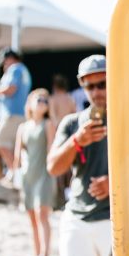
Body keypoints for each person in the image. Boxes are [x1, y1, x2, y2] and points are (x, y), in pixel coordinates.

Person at [47, 55, 110, 256]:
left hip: (114, 219)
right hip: (77, 216)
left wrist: (114, 184)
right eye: (89, 85)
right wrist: (77, 141)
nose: (96, 92)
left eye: (102, 84)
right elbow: (53, 167)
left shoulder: (128, 120)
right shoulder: (72, 124)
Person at [13, 88, 56, 256]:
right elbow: (18, 153)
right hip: (27, 175)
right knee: (31, 215)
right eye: (38, 99)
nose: (42, 103)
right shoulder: (23, 127)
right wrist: (14, 174)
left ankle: (45, 254)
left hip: (44, 173)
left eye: (45, 101)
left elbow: (52, 149)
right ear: (30, 103)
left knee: (42, 214)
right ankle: (37, 251)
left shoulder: (48, 125)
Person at [0, 47, 32, 183]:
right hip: (20, 114)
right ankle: (16, 173)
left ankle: (13, 170)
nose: (4, 64)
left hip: (12, 114)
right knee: (16, 146)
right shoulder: (24, 70)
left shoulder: (15, 69)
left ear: (9, 58)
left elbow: (10, 90)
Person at [49, 73, 76, 208]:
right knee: (71, 168)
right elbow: (75, 115)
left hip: (59, 135)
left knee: (59, 169)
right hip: (71, 135)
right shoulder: (70, 99)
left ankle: (60, 200)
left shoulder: (53, 99)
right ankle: (69, 198)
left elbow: (53, 119)